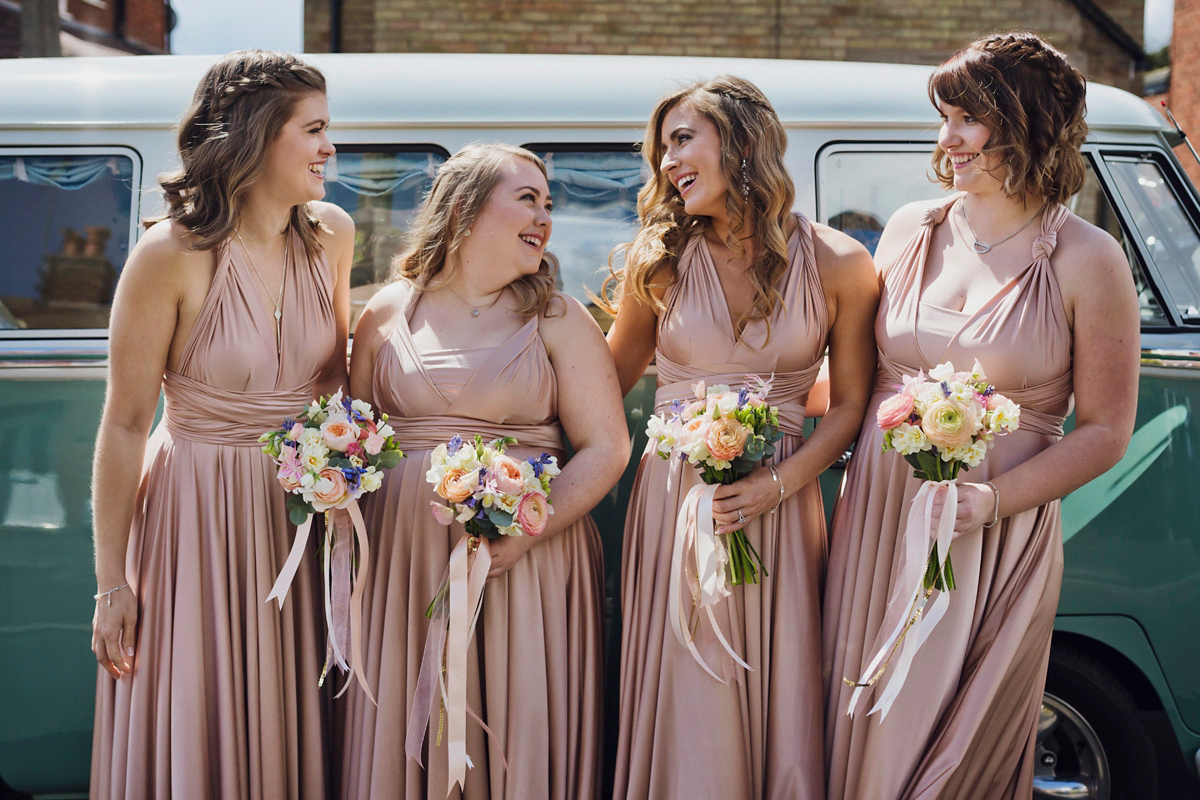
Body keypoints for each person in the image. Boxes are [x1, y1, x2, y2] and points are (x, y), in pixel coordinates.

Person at [822, 32, 1139, 800]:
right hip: (885, 512)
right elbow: (850, 380)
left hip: (995, 528)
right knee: (864, 717)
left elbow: (1104, 430)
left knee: (951, 743)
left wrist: (989, 502)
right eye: (945, 118)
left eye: (967, 119)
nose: (947, 140)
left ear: (1024, 121)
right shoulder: (910, 229)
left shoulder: (1089, 259)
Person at [89, 51, 353, 799]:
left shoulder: (331, 235)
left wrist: (342, 476)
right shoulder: (168, 256)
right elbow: (127, 424)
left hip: (297, 516)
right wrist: (113, 585)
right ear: (258, 136)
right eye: (315, 129)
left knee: (292, 708)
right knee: (199, 705)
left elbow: (331, 383)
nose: (330, 147)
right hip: (195, 518)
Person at [605, 76, 878, 799]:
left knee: (777, 674)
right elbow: (602, 383)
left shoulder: (839, 263)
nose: (667, 162)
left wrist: (777, 485)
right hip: (674, 501)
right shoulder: (656, 262)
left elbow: (850, 405)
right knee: (687, 679)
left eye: (682, 139)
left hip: (784, 500)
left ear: (742, 140)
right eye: (661, 148)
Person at [337, 144, 628, 800]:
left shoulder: (555, 315)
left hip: (524, 560)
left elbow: (607, 446)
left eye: (548, 204)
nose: (545, 217)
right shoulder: (387, 312)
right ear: (465, 208)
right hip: (403, 564)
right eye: (528, 198)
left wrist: (528, 532)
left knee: (510, 727)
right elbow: (359, 442)